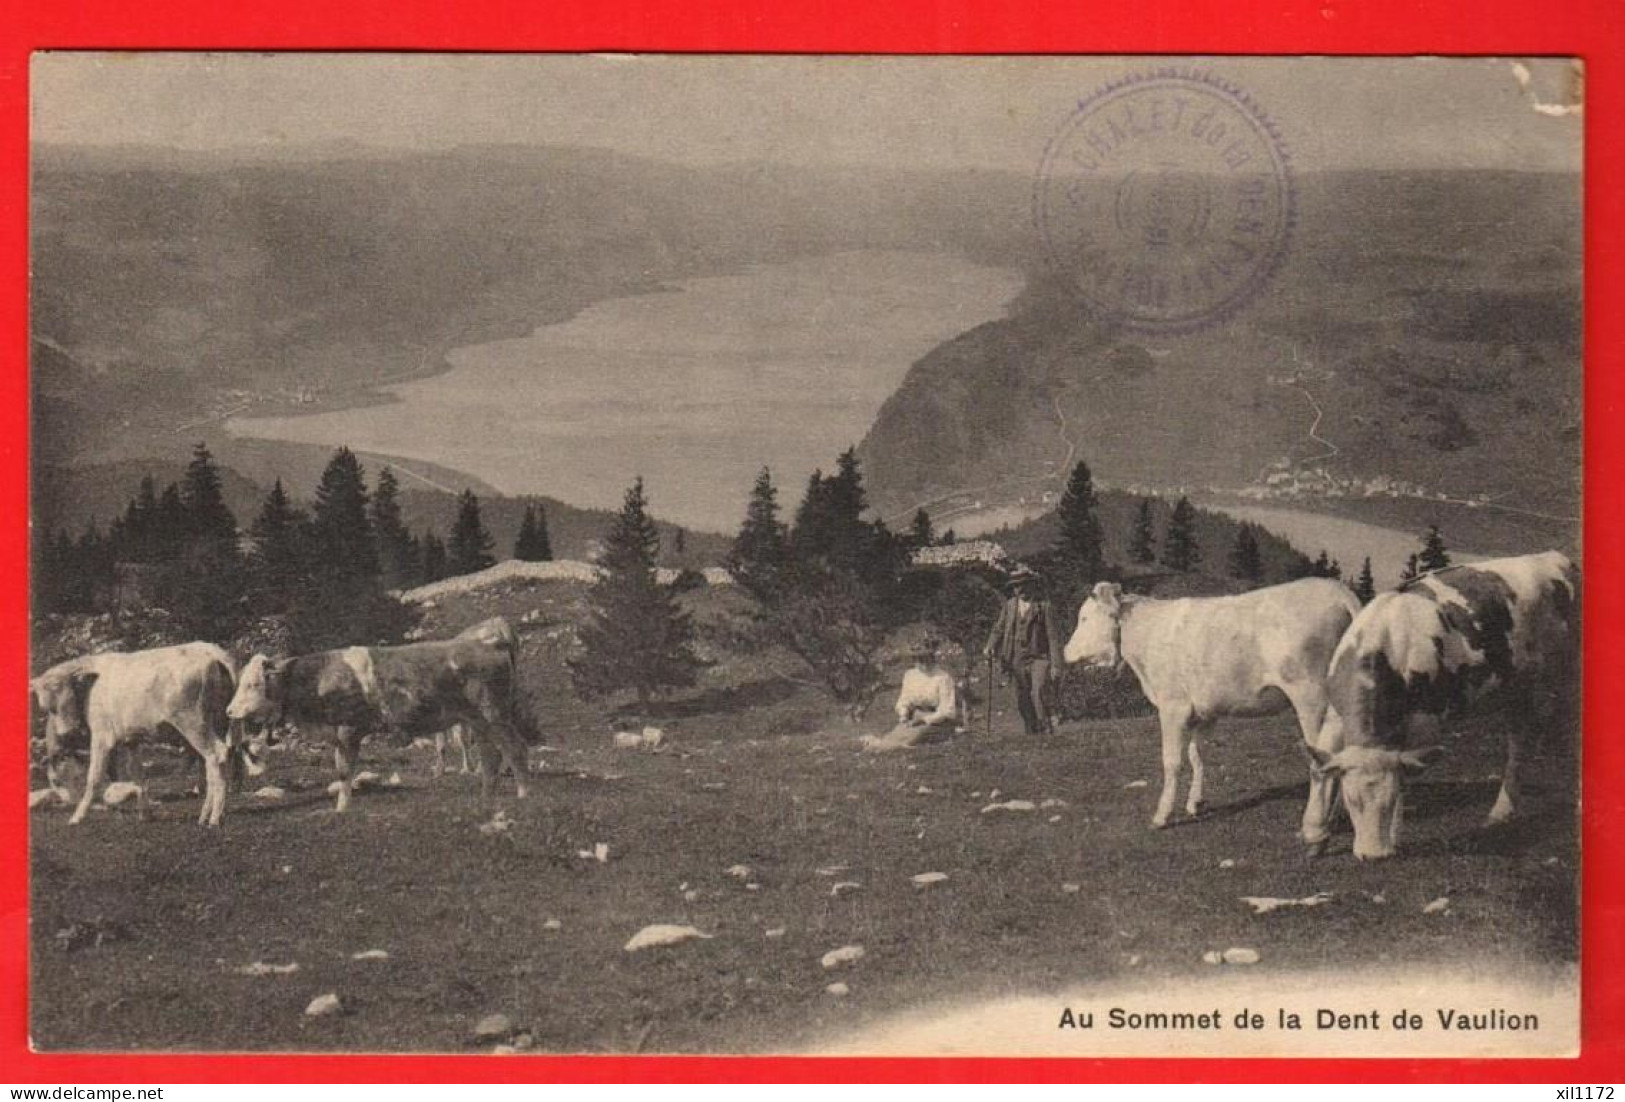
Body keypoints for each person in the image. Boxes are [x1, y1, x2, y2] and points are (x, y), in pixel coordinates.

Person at [983, 565, 1065, 735]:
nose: (1018, 589)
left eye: (1022, 585)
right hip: (1015, 657)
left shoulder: (1044, 607)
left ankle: (1045, 725)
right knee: (1022, 696)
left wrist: (1056, 664)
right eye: (1015, 586)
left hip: (1039, 657)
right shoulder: (1010, 606)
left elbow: (1053, 637)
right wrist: (990, 646)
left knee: (1039, 690)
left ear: (1031, 585)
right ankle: (1031, 729)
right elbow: (998, 629)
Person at [861, 635, 963, 752]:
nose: (923, 663)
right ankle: (879, 744)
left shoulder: (943, 677)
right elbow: (904, 700)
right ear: (914, 660)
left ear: (933, 658)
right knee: (897, 733)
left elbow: (947, 711)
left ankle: (885, 747)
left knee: (914, 736)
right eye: (919, 659)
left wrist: (925, 719)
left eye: (927, 659)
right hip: (915, 717)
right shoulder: (910, 675)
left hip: (937, 722)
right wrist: (904, 715)